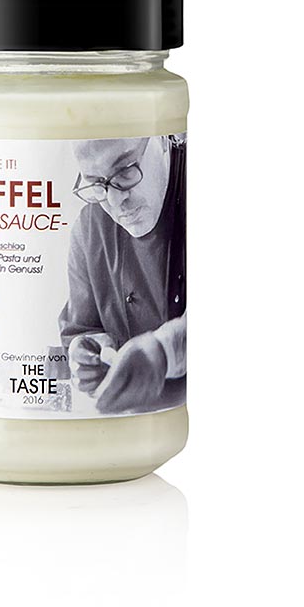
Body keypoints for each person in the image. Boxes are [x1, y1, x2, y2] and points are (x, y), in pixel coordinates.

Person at [58, 135, 187, 414]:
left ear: (165, 139)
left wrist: (166, 352)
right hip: (121, 425)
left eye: (126, 172)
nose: (116, 201)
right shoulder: (89, 230)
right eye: (96, 183)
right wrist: (87, 352)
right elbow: (80, 328)